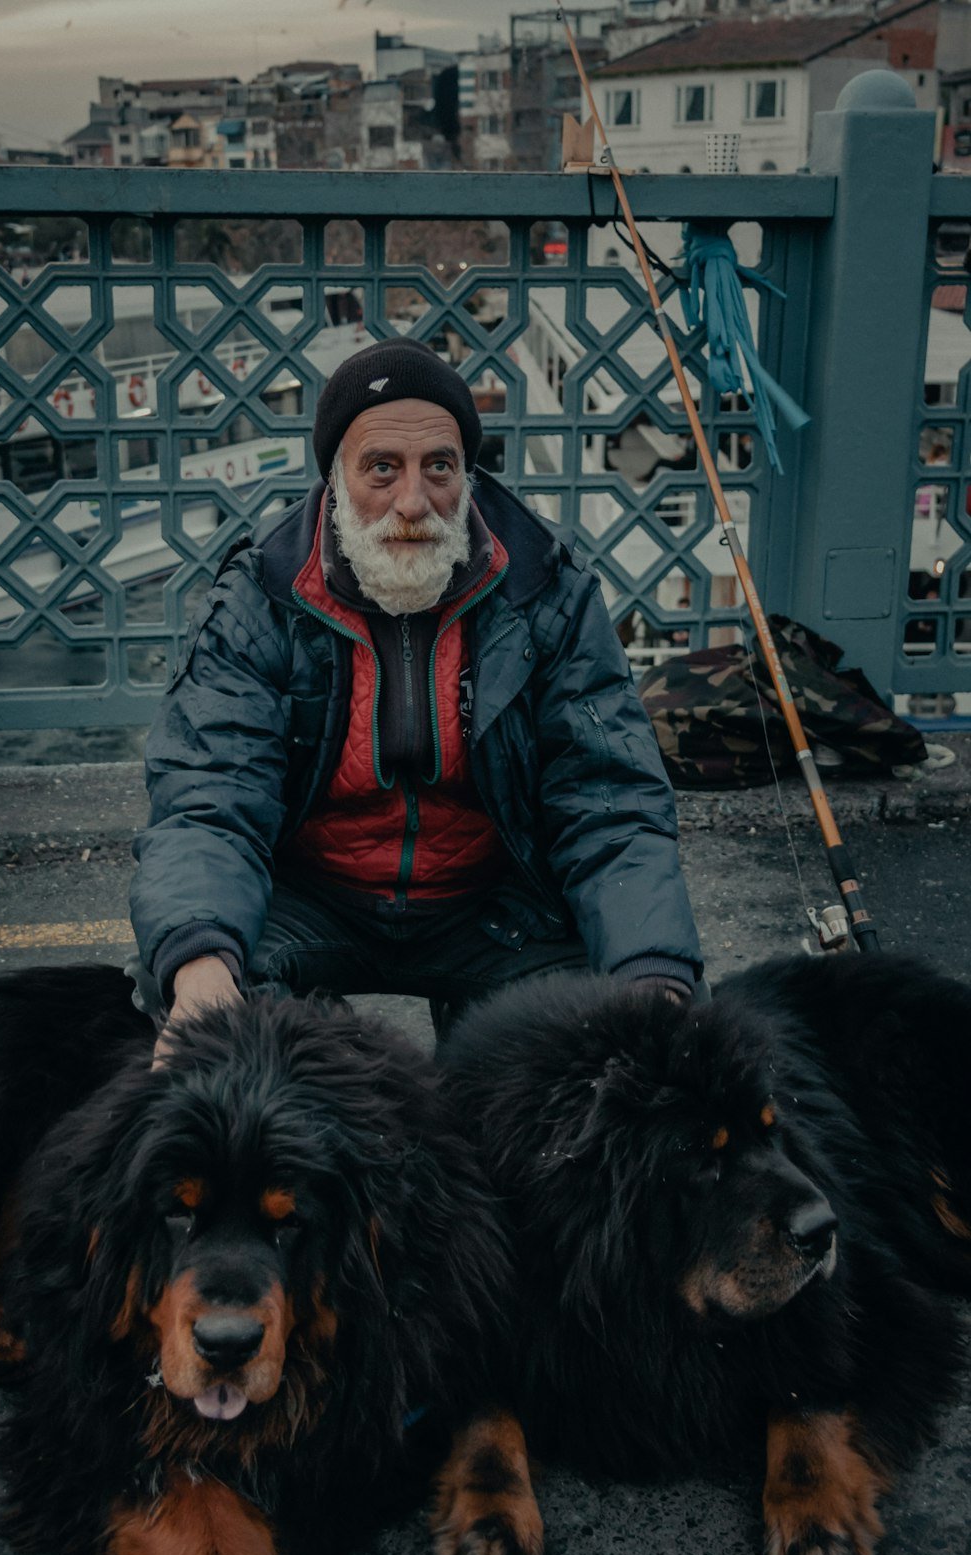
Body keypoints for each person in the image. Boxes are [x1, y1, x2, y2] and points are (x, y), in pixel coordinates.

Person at [130, 338, 703, 1046]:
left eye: (439, 467)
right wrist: (201, 969)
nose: (413, 501)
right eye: (381, 469)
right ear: (335, 478)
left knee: (612, 1044)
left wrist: (656, 980)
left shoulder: (544, 585)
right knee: (210, 1010)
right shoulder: (262, 594)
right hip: (313, 898)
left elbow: (609, 802)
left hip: (492, 904)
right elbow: (207, 804)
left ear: (467, 472)